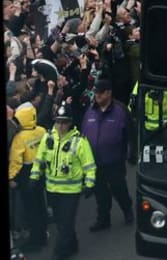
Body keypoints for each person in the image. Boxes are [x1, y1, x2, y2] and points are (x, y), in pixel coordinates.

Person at [30, 101, 96, 260]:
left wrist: (90, 184)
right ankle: (72, 244)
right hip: (52, 190)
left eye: (64, 122)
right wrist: (34, 177)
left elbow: (89, 165)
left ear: (70, 123)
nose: (60, 125)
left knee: (65, 223)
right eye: (58, 121)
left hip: (71, 192)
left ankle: (59, 253)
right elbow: (39, 160)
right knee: (61, 222)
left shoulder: (80, 141)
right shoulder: (47, 138)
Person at [81, 77, 134, 231]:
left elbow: (130, 133)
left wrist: (131, 155)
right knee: (100, 193)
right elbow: (84, 132)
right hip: (94, 162)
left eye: (100, 93)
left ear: (108, 93)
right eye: (95, 92)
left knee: (119, 188)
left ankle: (127, 210)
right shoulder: (90, 111)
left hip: (114, 161)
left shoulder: (121, 110)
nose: (96, 96)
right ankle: (103, 219)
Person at [8, 102, 48, 252]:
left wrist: (11, 178)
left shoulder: (19, 138)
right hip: (41, 173)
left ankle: (35, 241)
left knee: (31, 210)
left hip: (26, 177)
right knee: (40, 205)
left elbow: (16, 162)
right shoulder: (41, 130)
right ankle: (43, 235)